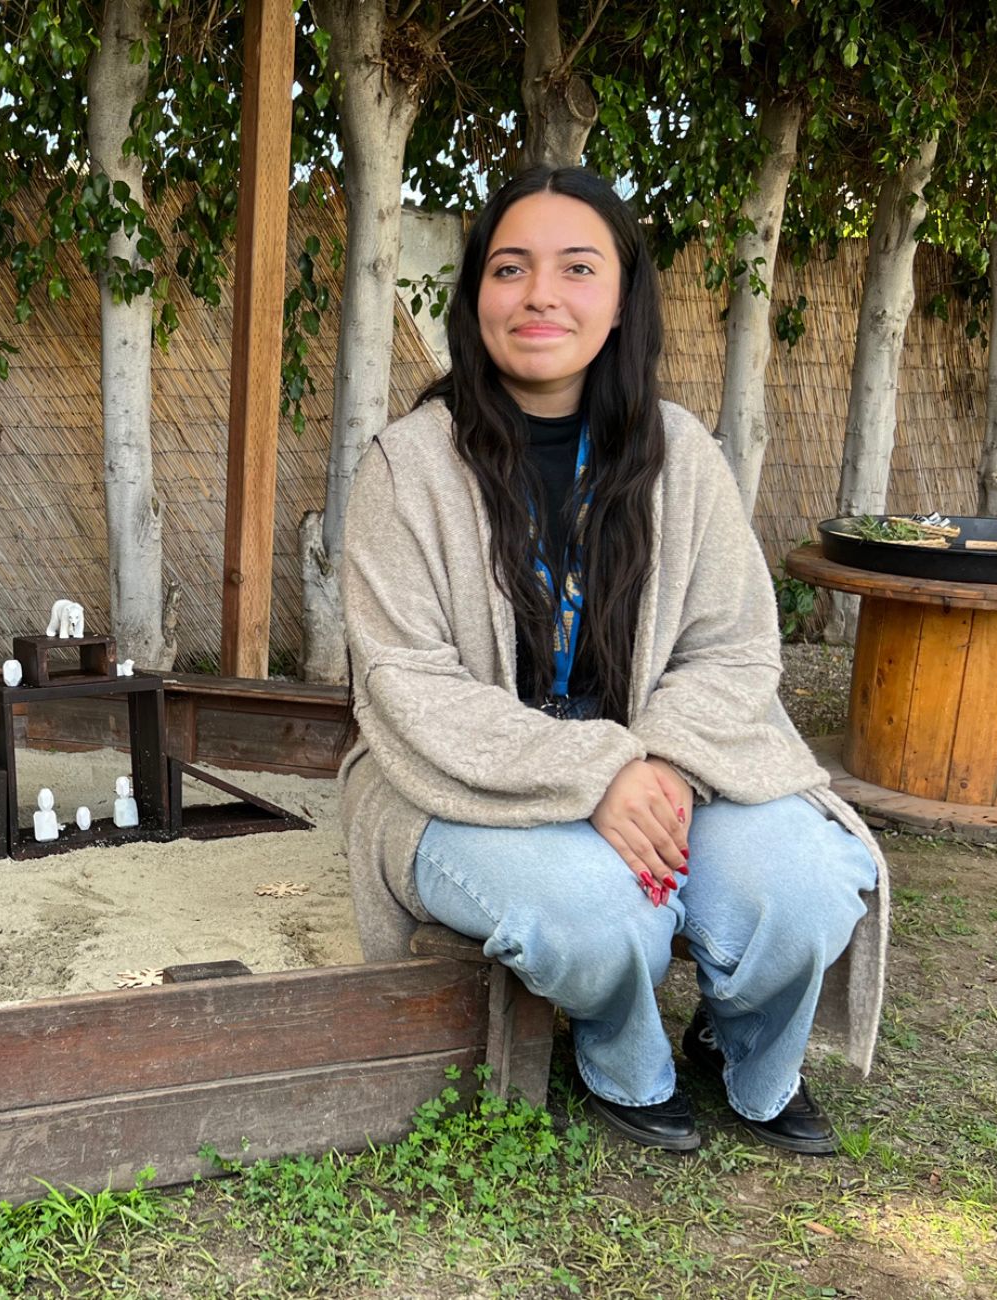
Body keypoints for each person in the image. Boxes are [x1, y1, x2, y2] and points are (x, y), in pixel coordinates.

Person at [338, 166, 889, 1154]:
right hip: (462, 783)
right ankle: (626, 1064)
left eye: (576, 267)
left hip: (670, 766)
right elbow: (406, 683)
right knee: (598, 909)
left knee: (808, 881)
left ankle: (747, 1058)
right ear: (475, 299)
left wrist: (661, 763)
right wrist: (598, 773)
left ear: (623, 297)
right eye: (510, 268)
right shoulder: (404, 467)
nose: (540, 293)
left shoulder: (683, 453)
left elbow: (735, 647)